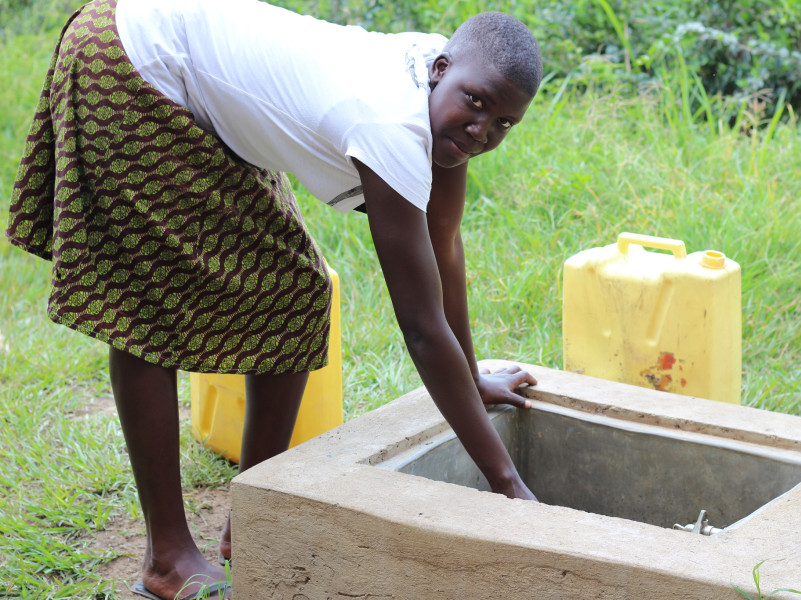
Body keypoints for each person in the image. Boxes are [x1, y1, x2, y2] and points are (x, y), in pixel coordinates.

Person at [5, 0, 543, 598]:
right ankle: (167, 558)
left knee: (295, 291)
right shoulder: (390, 119)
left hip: (194, 78)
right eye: (477, 103)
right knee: (146, 304)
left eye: (503, 124)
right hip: (132, 59)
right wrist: (509, 486)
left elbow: (443, 249)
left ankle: (253, 516)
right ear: (442, 69)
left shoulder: (440, 94)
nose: (482, 130)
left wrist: (472, 380)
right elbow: (419, 324)